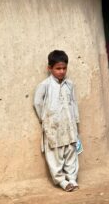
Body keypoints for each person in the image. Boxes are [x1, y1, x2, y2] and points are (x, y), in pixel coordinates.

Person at [34, 50, 80, 192]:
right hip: (53, 126)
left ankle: (72, 178)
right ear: (50, 68)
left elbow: (73, 103)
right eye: (58, 68)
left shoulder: (69, 84)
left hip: (69, 125)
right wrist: (45, 118)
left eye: (64, 68)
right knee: (55, 154)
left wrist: (76, 121)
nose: (61, 71)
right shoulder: (45, 85)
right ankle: (61, 181)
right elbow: (37, 102)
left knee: (71, 151)